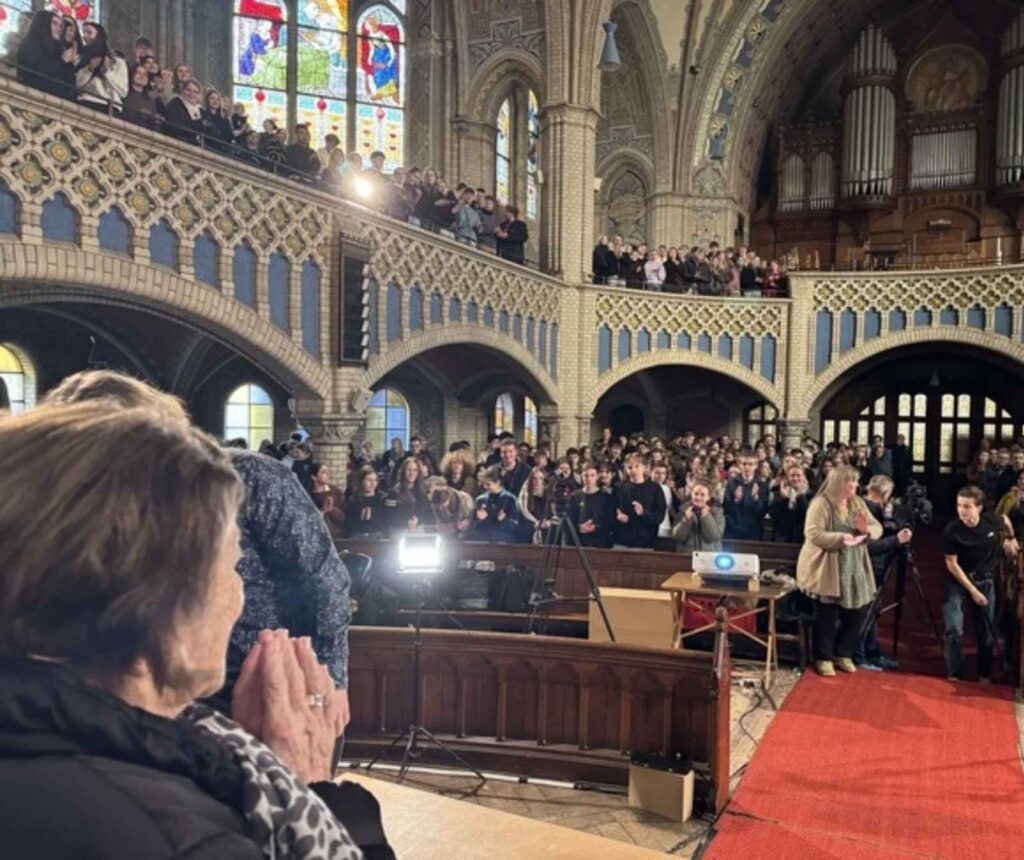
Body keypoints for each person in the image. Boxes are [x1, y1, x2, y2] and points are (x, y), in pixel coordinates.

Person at [0, 401, 391, 859]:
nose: (240, 596)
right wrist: (309, 789)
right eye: (232, 567)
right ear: (162, 601)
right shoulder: (182, 834)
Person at [44, 371, 352, 724]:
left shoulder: (250, 476)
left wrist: (330, 681)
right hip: (152, 686)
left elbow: (324, 582)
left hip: (262, 676)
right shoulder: (90, 499)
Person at [797, 465, 882, 677]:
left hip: (854, 564)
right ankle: (823, 657)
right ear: (838, 483)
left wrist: (867, 531)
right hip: (828, 563)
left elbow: (877, 527)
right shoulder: (821, 503)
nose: (854, 485)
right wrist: (841, 538)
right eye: (850, 481)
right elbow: (813, 534)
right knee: (826, 613)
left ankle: (843, 653)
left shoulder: (857, 502)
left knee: (858, 611)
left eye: (855, 481)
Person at [942, 486, 1018, 682]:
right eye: (959, 505)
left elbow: (1006, 521)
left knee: (985, 630)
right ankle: (955, 674)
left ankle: (984, 674)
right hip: (958, 582)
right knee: (953, 628)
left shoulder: (992, 521)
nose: (962, 510)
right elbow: (951, 563)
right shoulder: (952, 530)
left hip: (985, 580)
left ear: (979, 508)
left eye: (967, 506)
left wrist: (1010, 538)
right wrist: (973, 591)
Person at [855, 475, 910, 670]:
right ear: (885, 493)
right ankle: (860, 654)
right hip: (867, 566)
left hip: (878, 566)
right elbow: (866, 546)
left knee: (874, 611)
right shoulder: (863, 509)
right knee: (866, 612)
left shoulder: (877, 509)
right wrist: (897, 540)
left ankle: (872, 650)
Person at [16, 10, 77, 100]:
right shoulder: (30, 43)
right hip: (35, 97)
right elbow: (34, 73)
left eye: (60, 26)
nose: (59, 28)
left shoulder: (59, 49)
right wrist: (62, 60)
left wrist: (69, 64)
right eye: (54, 23)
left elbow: (69, 85)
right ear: (43, 24)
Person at [613, 453, 667, 550]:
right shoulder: (618, 487)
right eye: (629, 467)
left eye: (637, 466)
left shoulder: (655, 489)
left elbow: (659, 516)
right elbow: (610, 511)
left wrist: (643, 513)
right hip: (621, 541)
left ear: (644, 468)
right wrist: (618, 517)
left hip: (645, 542)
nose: (633, 470)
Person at [75, 22, 128, 115]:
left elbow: (123, 91)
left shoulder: (117, 62)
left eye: (89, 33)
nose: (85, 36)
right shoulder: (80, 59)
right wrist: (89, 69)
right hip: (87, 103)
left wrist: (107, 72)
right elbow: (77, 85)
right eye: (83, 33)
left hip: (111, 107)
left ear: (99, 36)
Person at [567, 462, 615, 548]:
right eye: (586, 475)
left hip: (600, 542)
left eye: (592, 475)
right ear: (582, 476)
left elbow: (610, 521)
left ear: (597, 476)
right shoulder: (574, 496)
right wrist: (579, 527)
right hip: (579, 542)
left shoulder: (606, 497)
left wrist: (595, 528)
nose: (589, 478)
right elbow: (570, 518)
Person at [723, 451, 769, 540]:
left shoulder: (762, 484)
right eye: (744, 464)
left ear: (756, 466)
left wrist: (756, 499)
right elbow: (726, 508)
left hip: (753, 530)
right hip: (733, 530)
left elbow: (763, 511)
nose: (747, 467)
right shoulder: (732, 483)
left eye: (750, 464)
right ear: (739, 465)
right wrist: (736, 500)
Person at [672, 479, 724, 551]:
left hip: (709, 556)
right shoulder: (683, 510)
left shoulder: (716, 512)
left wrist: (706, 517)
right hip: (687, 555)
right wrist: (686, 519)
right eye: (696, 494)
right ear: (691, 494)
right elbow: (678, 536)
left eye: (702, 495)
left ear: (708, 497)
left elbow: (714, 537)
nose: (698, 497)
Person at [472, 466, 520, 542]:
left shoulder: (510, 500)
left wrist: (504, 520)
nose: (485, 487)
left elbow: (515, 525)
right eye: (484, 484)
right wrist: (478, 519)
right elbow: (472, 525)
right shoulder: (480, 500)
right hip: (483, 542)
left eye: (488, 484)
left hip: (503, 542)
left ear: (498, 482)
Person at [769, 464, 812, 543]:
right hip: (782, 537)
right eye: (792, 475)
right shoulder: (777, 492)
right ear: (787, 478)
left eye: (798, 475)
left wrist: (801, 497)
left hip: (802, 537)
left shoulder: (811, 495)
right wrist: (784, 499)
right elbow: (773, 514)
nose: (795, 478)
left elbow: (808, 515)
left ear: (804, 477)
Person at [345, 465, 386, 538]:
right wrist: (360, 519)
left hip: (377, 536)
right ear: (361, 481)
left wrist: (371, 519)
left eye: (375, 480)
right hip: (358, 536)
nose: (373, 483)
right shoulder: (354, 500)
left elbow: (386, 522)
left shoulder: (381, 499)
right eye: (369, 480)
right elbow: (347, 525)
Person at [162, 78, 205, 144]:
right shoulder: (174, 104)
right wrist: (199, 125)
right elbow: (176, 126)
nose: (191, 94)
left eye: (195, 92)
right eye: (188, 90)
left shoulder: (201, 111)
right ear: (182, 90)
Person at [310, 462, 345, 540]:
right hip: (317, 534)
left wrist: (332, 509)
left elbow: (344, 516)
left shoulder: (336, 492)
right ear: (313, 477)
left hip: (336, 534)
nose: (328, 474)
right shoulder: (309, 495)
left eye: (328, 471)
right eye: (323, 472)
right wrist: (323, 510)